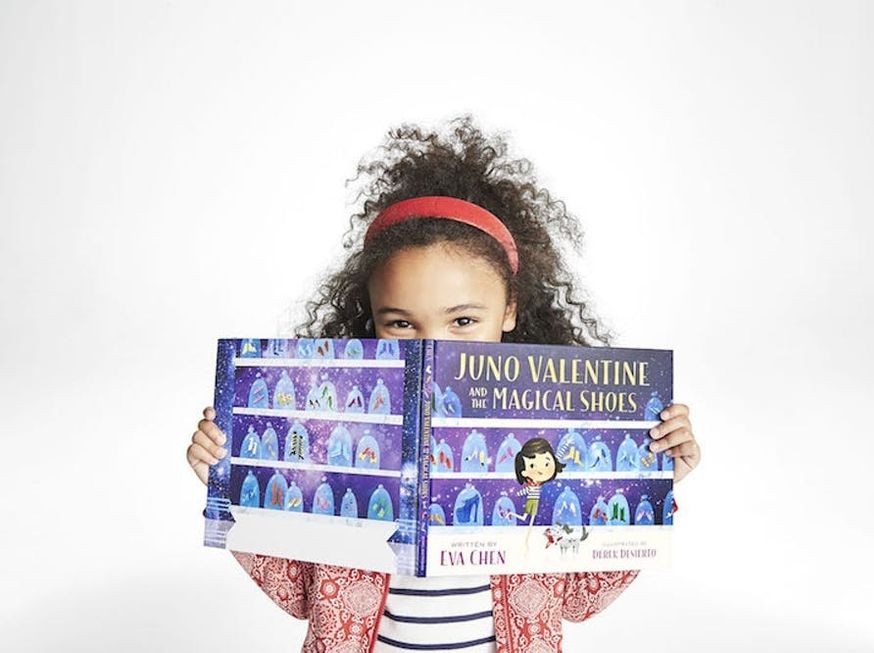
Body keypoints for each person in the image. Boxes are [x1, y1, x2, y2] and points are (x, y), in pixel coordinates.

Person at [186, 115, 702, 653]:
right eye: (402, 323)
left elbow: (578, 601)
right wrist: (225, 485)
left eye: (462, 321)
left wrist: (658, 480)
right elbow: (297, 596)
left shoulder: (550, 436)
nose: (435, 346)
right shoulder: (334, 435)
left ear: (510, 311)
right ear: (373, 319)